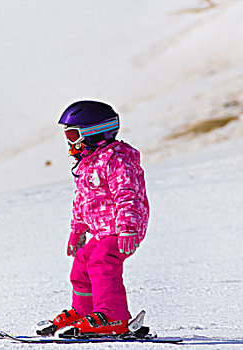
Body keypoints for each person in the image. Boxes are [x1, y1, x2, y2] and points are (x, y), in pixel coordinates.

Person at [36, 100, 150, 337]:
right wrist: (78, 230)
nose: (69, 142)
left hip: (122, 229)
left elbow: (127, 194)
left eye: (72, 135)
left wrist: (128, 227)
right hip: (101, 230)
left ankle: (113, 317)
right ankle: (85, 311)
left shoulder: (117, 160)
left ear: (92, 133)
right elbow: (82, 201)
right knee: (81, 264)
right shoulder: (88, 163)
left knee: (102, 262)